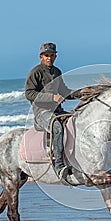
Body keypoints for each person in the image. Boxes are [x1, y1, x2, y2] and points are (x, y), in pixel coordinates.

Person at [25, 42, 81, 180]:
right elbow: (29, 94)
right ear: (41, 57)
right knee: (57, 127)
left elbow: (64, 91)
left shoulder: (57, 72)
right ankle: (58, 164)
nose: (49, 58)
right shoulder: (35, 72)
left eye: (52, 55)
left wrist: (82, 93)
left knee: (76, 122)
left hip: (57, 111)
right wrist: (52, 97)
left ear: (55, 56)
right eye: (46, 55)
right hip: (41, 113)